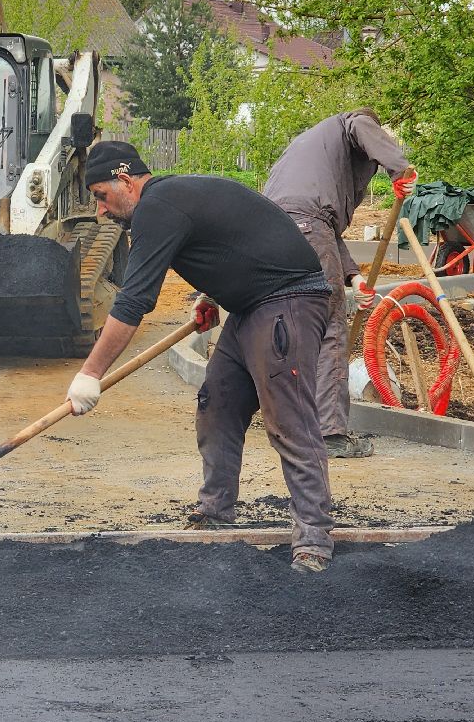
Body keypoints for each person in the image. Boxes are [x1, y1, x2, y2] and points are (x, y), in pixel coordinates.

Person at [65, 142, 337, 574]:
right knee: (218, 405)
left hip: (288, 301)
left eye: (101, 195)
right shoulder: (169, 202)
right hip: (250, 305)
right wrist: (214, 294)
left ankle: (313, 541)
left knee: (289, 420)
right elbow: (236, 241)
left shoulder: (158, 206)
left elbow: (133, 302)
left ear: (125, 179)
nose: (100, 210)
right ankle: (214, 514)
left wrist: (89, 374)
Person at [262, 110, 417, 459]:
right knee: (329, 326)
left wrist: (354, 277)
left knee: (282, 323)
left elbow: (320, 227)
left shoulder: (306, 150)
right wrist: (399, 169)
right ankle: (330, 433)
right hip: (307, 227)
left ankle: (286, 421)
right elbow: (313, 222)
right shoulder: (354, 121)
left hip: (271, 229)